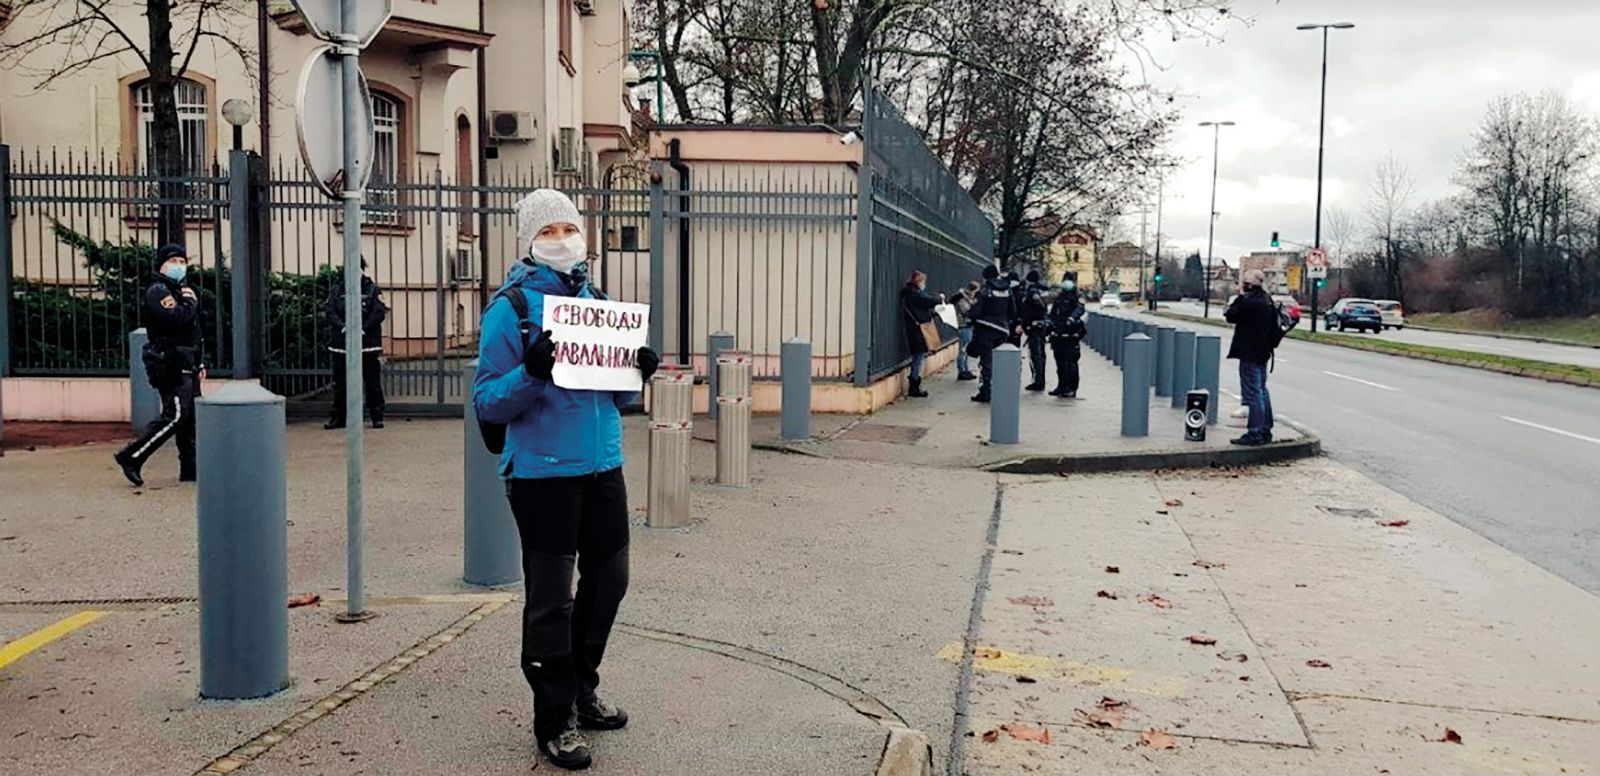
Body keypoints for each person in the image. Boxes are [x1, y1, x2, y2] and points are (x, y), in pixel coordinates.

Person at [473, 189, 660, 772]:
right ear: (529, 240)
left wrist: (637, 372)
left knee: (610, 582)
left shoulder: (597, 301)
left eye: (568, 228)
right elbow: (486, 400)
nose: (561, 238)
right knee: (551, 600)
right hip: (542, 474)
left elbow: (619, 395)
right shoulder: (511, 310)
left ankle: (582, 686)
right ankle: (555, 721)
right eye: (548, 230)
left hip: (603, 465)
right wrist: (531, 372)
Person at [114, 244, 204, 486]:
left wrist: (200, 361)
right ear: (162, 264)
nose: (179, 265)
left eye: (182, 261)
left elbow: (193, 331)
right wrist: (189, 304)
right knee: (175, 416)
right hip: (170, 362)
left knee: (190, 418)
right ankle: (132, 456)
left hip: (188, 362)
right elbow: (174, 320)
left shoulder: (181, 291)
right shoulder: (159, 291)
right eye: (173, 260)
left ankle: (191, 468)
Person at [325, 259, 388, 430]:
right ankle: (339, 417)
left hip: (367, 345)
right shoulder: (338, 289)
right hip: (341, 345)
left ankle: (377, 417)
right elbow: (330, 311)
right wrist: (343, 327)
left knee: (372, 382)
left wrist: (363, 329)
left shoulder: (372, 289)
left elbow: (379, 312)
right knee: (341, 384)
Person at [1224, 269, 1278, 446]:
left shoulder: (1249, 302)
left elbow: (1231, 315)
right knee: (1262, 391)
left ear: (1250, 285)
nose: (1242, 285)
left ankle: (1254, 432)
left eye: (1244, 282)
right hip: (1262, 351)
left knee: (1254, 393)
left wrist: (1239, 297)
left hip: (1249, 351)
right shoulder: (1267, 300)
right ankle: (1265, 430)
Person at [966, 264, 1019, 403]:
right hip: (1002, 330)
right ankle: (1000, 389)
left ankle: (986, 391)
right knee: (999, 360)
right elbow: (1013, 311)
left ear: (986, 277)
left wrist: (969, 315)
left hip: (986, 329)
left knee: (986, 362)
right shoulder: (1007, 290)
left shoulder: (984, 291)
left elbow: (976, 312)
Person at [900, 270, 942, 398]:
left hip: (915, 328)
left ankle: (915, 382)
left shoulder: (911, 293)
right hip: (917, 330)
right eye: (923, 281)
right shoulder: (914, 294)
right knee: (918, 357)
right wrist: (940, 299)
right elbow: (928, 301)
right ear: (919, 281)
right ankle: (914, 384)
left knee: (919, 356)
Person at [1046, 280, 1086, 398]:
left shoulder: (1076, 297)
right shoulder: (1059, 298)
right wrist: (1049, 323)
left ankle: (1071, 388)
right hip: (1058, 334)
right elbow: (1052, 314)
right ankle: (1062, 386)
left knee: (1071, 362)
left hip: (1071, 334)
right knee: (1060, 362)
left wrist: (1072, 319)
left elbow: (1080, 309)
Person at [1019, 270, 1050, 392]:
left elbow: (1029, 311)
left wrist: (1023, 324)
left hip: (1034, 328)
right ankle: (1039, 379)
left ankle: (1038, 381)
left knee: (1036, 355)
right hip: (1041, 327)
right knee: (1040, 354)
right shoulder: (1043, 291)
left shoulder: (1032, 292)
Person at [951, 281, 980, 381]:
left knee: (966, 349)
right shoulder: (962, 299)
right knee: (963, 350)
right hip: (964, 325)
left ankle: (966, 369)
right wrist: (971, 301)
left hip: (967, 326)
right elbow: (967, 311)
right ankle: (962, 370)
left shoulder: (966, 298)